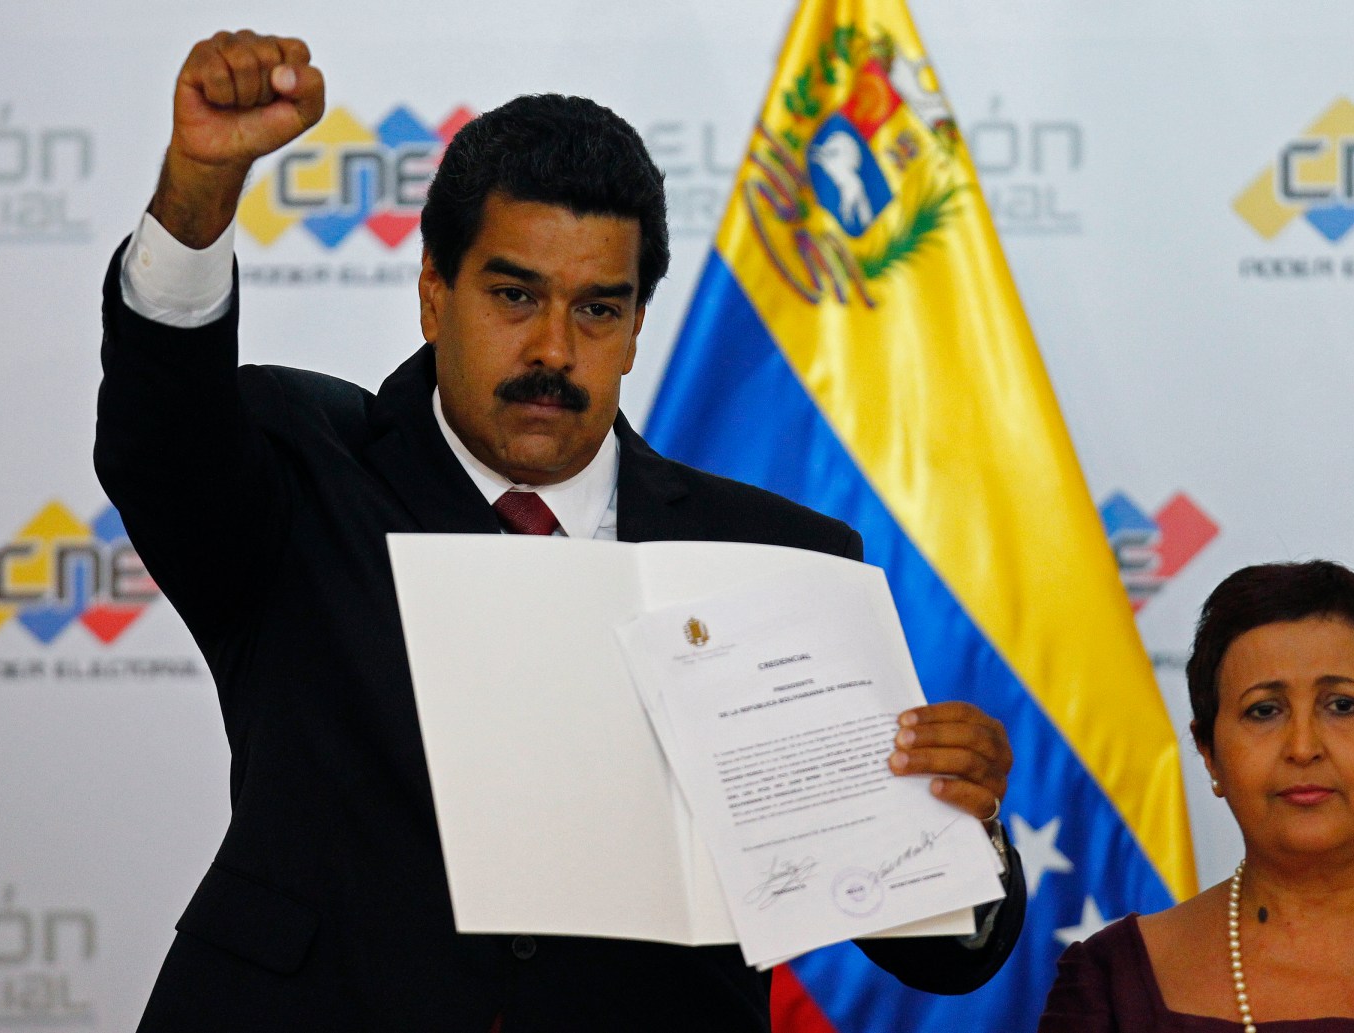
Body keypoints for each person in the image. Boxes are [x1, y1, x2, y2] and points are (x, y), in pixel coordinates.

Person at [96, 30, 1027, 1033]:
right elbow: (163, 428)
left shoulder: (777, 560)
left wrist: (960, 824)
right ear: (433, 293)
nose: (552, 349)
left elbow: (928, 945)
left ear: (635, 328)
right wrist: (199, 192)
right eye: (514, 296)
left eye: (597, 310)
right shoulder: (302, 475)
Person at [1039, 560, 1354, 1032]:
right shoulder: (1113, 980)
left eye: (1342, 705)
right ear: (1209, 753)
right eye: (1264, 711)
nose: (1302, 747)